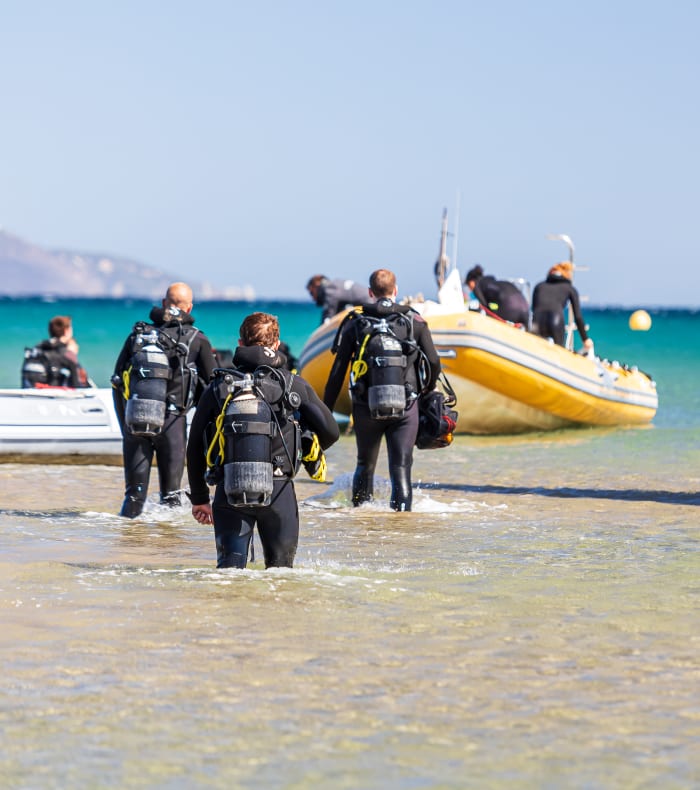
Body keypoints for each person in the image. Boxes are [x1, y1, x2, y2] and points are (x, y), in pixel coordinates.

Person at [187, 312, 339, 569]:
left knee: (229, 574)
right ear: (277, 345)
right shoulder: (293, 385)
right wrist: (305, 441)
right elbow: (332, 432)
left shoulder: (219, 387)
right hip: (279, 491)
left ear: (239, 344)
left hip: (230, 489)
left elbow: (194, 448)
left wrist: (200, 498)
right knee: (280, 576)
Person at [323, 269, 441, 512]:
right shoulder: (413, 321)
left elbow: (337, 373)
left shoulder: (356, 322)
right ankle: (399, 525)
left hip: (366, 407)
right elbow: (434, 362)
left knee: (364, 465)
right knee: (400, 468)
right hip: (406, 408)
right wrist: (427, 391)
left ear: (369, 292)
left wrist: (325, 413)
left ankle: (362, 519)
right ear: (395, 291)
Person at [112, 282, 216, 518]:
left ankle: (127, 543)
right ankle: (166, 549)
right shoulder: (196, 339)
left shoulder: (138, 336)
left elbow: (117, 381)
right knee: (171, 495)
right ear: (189, 308)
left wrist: (125, 426)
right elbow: (213, 387)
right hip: (172, 423)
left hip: (137, 417)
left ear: (163, 304)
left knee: (134, 495)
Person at [531, 261, 594, 351]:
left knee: (536, 351)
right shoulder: (570, 289)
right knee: (557, 352)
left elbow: (534, 309)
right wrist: (585, 339)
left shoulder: (539, 286)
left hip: (537, 321)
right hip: (555, 320)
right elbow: (578, 316)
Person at [21, 315, 90, 388]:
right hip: (51, 393)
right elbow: (77, 381)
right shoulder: (65, 351)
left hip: (30, 389)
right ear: (66, 331)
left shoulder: (39, 347)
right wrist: (72, 354)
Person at [464, 265, 530, 326]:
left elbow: (485, 307)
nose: (470, 289)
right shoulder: (492, 283)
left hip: (509, 306)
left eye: (468, 286)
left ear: (471, 282)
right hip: (525, 307)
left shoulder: (478, 286)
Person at [306, 274, 372, 323]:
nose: (313, 298)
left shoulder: (330, 289)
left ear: (317, 285)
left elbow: (328, 315)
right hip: (370, 304)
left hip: (367, 307)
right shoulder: (336, 284)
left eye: (312, 293)